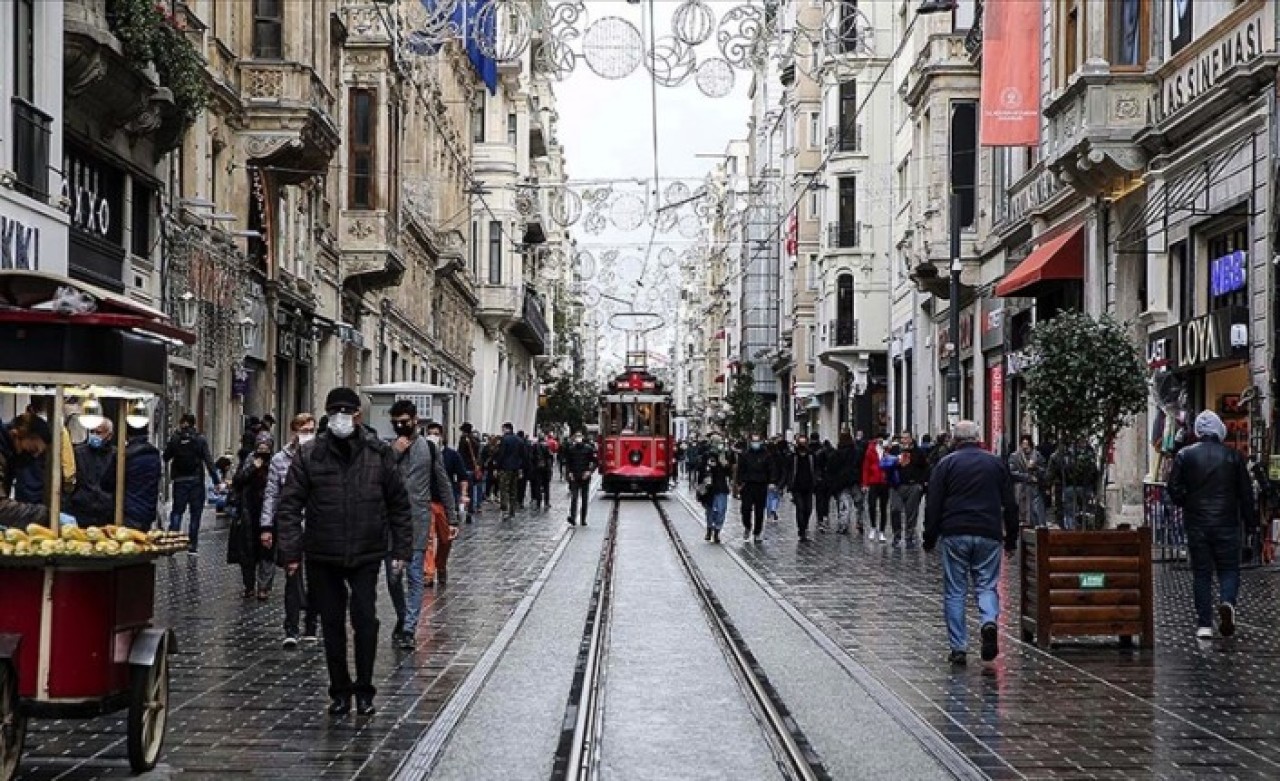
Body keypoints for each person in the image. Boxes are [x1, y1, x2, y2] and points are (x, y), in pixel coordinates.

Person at [276, 387, 412, 717]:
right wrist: (291, 552)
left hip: (366, 551)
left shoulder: (378, 453)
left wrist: (401, 550)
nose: (340, 416)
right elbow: (290, 505)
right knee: (332, 624)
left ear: (358, 415)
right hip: (323, 552)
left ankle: (365, 689)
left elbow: (398, 504)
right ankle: (339, 690)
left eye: (346, 411)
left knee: (366, 620)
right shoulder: (310, 455)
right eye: (334, 410)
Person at [923, 421, 1018, 666]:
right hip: (988, 531)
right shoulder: (995, 463)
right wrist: (1011, 539)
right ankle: (988, 621)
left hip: (955, 531)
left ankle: (959, 647)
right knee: (987, 585)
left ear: (955, 439)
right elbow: (1010, 503)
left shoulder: (946, 465)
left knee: (955, 590)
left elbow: (933, 504)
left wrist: (929, 537)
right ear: (978, 437)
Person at [1167, 410, 1255, 639]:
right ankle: (1227, 602)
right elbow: (1246, 494)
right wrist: (1252, 524)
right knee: (1229, 569)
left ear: (1197, 431)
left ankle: (1204, 624)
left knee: (1202, 573)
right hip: (1227, 522)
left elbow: (1173, 488)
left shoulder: (1185, 455)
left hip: (1197, 523)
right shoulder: (1234, 457)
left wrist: (1188, 502)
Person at [385, 402, 459, 650]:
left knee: (415, 576)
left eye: (404, 421)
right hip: (391, 523)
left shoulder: (429, 447)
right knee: (393, 578)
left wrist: (453, 517)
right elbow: (377, 477)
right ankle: (403, 615)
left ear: (415, 420)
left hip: (418, 520)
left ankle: (409, 628)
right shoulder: (386, 448)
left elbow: (443, 482)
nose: (399, 426)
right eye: (395, 422)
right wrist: (394, 453)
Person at [260, 414, 319, 648]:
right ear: (294, 431)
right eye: (304, 430)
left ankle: (311, 624)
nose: (308, 434)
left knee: (316, 576)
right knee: (292, 575)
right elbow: (271, 494)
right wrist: (266, 526)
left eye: (311, 430)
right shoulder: (280, 460)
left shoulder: (321, 457)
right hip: (290, 524)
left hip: (316, 524)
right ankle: (291, 627)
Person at [164, 413, 220, 554]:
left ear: (181, 422)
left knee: (177, 512)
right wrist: (216, 480)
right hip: (196, 481)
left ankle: (172, 544)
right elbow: (208, 460)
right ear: (194, 424)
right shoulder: (200, 439)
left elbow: (165, 457)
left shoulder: (175, 438)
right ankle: (192, 545)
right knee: (195, 514)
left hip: (179, 481)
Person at [230, 433, 275, 600]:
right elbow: (237, 481)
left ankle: (264, 587)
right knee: (247, 552)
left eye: (266, 447)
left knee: (267, 552)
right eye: (260, 446)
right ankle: (248, 586)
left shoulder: (274, 462)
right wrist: (253, 468)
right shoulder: (249, 460)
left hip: (268, 512)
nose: (263, 450)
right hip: (248, 512)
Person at [424, 420, 466, 590]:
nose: (433, 436)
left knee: (445, 539)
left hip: (443, 502)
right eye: (430, 433)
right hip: (427, 502)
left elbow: (461, 476)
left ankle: (440, 565)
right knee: (427, 539)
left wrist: (463, 495)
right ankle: (427, 573)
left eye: (436, 433)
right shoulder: (422, 453)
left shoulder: (451, 455)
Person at [0, 412, 52, 526]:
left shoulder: (9, 455)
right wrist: (45, 515)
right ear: (17, 435)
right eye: (33, 450)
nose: (33, 457)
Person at [65, 419, 117, 527]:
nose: (94, 435)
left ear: (109, 435)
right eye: (92, 432)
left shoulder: (116, 456)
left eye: (98, 433)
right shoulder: (79, 453)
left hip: (105, 513)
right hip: (81, 510)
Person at [734, 432, 775, 543]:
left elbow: (771, 470)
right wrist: (738, 483)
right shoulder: (745, 455)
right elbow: (740, 470)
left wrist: (771, 482)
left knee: (759, 511)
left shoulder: (766, 455)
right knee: (745, 509)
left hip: (761, 485)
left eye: (757, 441)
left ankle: (757, 532)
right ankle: (747, 526)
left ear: (761, 442)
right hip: (747, 485)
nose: (755, 443)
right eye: (753, 441)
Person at [122, 424, 162, 531]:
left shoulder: (125, 456)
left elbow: (108, 482)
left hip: (129, 511)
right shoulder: (154, 454)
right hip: (148, 510)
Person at [782, 433, 820, 541]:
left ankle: (805, 525)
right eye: (801, 442)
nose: (802, 445)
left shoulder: (812, 456)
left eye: (804, 442)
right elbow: (787, 471)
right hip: (796, 487)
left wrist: (817, 479)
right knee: (800, 508)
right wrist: (785, 484)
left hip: (809, 486)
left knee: (808, 509)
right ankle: (802, 531)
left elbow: (816, 469)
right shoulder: (792, 456)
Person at [895, 431, 930, 548]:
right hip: (898, 485)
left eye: (906, 438)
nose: (904, 440)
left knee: (911, 512)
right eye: (902, 438)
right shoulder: (896, 450)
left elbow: (926, 468)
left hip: (913, 485)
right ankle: (897, 536)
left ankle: (910, 536)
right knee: (895, 510)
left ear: (911, 439)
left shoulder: (918, 452)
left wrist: (921, 484)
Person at [695, 434, 732, 543]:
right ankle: (709, 529)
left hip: (721, 487)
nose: (719, 445)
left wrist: (725, 463)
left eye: (720, 442)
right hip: (709, 488)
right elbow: (701, 471)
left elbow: (729, 472)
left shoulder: (724, 456)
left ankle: (717, 530)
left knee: (721, 510)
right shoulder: (706, 455)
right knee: (710, 511)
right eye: (716, 442)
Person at [828, 432, 864, 535]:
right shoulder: (858, 452)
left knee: (844, 505)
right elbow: (861, 467)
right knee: (859, 504)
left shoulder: (836, 453)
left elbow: (831, 469)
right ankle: (860, 522)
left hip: (841, 483)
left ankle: (843, 526)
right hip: (855, 481)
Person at [1009, 434, 1047, 528]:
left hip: (1035, 487)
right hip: (1021, 488)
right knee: (1022, 510)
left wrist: (1036, 468)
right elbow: (1012, 472)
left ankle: (1038, 526)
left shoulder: (1037, 455)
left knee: (1036, 509)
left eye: (1027, 444)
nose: (1025, 447)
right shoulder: (1015, 456)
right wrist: (1027, 477)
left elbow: (1044, 470)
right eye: (1023, 444)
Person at [562, 430, 597, 526]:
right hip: (574, 477)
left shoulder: (588, 449)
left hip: (585, 477)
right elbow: (567, 463)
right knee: (574, 497)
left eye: (579, 436)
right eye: (576, 436)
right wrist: (569, 473)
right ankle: (573, 517)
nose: (578, 438)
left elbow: (595, 462)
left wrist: (589, 472)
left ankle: (583, 519)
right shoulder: (571, 449)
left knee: (584, 499)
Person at [862, 434, 890, 542]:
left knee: (883, 507)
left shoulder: (887, 449)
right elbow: (866, 468)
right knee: (872, 505)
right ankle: (873, 527)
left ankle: (882, 531)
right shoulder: (870, 450)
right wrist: (865, 483)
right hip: (873, 482)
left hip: (884, 482)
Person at [496, 423, 523, 520]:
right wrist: (520, 467)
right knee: (513, 490)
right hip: (515, 468)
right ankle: (512, 510)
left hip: (505, 468)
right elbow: (522, 455)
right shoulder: (519, 440)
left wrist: (498, 467)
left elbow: (501, 454)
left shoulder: (504, 439)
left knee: (504, 489)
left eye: (503, 429)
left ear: (506, 429)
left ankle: (505, 510)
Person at [458, 422, 483, 521]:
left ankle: (464, 508)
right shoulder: (475, 440)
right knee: (472, 489)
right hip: (473, 467)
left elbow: (460, 455)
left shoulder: (463, 440)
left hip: (465, 467)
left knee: (464, 489)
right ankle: (472, 508)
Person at [528, 434, 554, 510]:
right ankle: (546, 502)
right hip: (546, 469)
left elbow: (531, 458)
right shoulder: (547, 446)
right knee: (546, 487)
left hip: (537, 469)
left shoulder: (535, 446)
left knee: (538, 486)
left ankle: (538, 503)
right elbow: (550, 458)